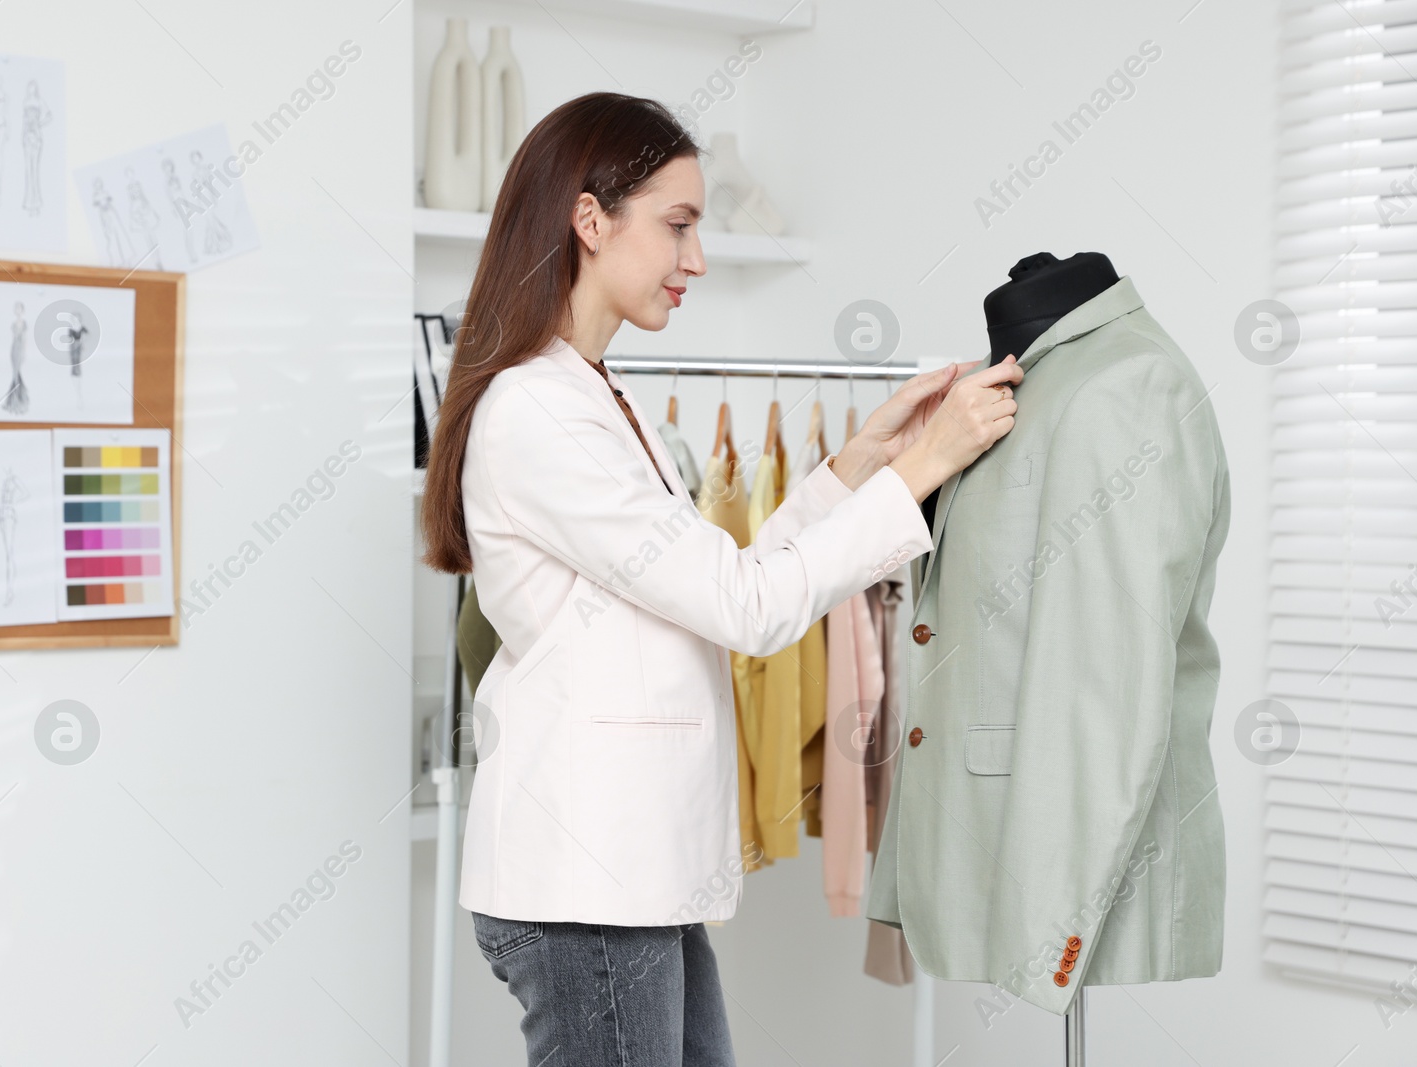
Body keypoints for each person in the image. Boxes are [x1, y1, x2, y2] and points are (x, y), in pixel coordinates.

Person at [419, 91, 1022, 1067]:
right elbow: (748, 610)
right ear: (588, 219)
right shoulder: (540, 412)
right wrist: (925, 466)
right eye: (678, 225)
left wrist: (863, 458)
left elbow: (724, 577)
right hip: (590, 882)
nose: (696, 259)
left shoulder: (603, 400)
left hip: (632, 879)